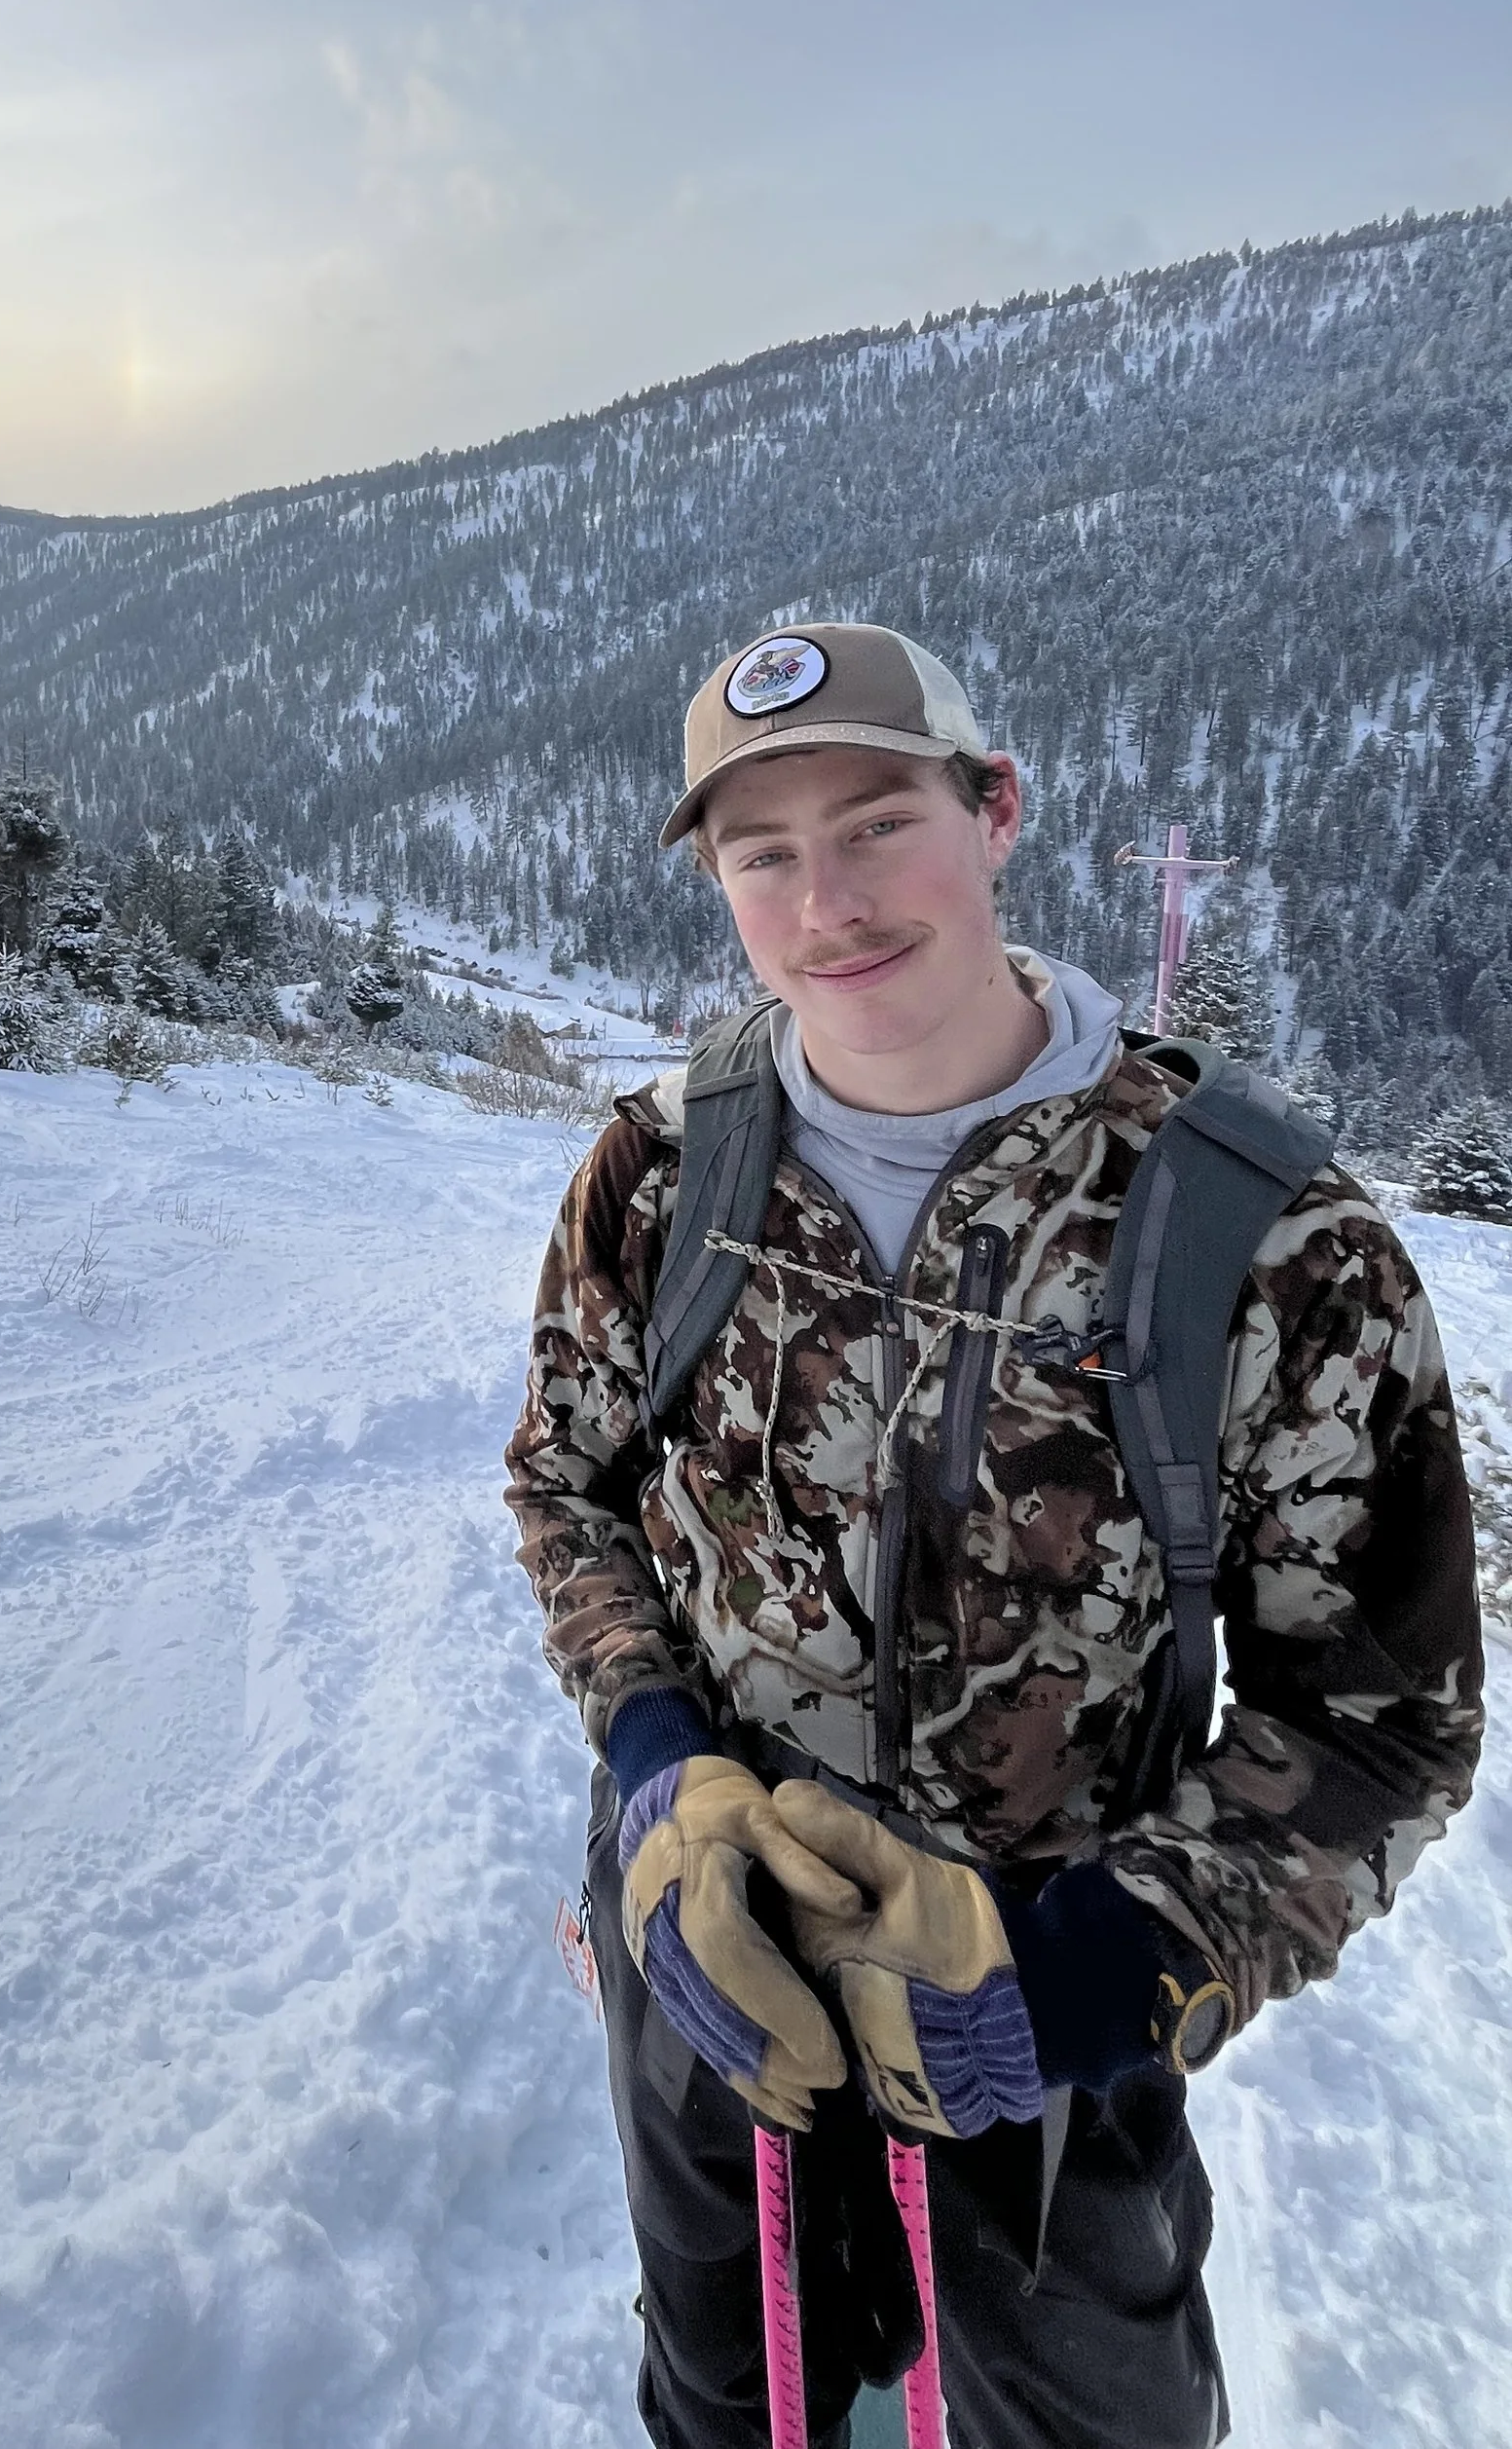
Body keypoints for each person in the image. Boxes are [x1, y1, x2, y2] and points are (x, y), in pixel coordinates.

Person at [502, 622, 1484, 2449]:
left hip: (1048, 1987)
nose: (828, 904)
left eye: (878, 823)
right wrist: (652, 1767)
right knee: (727, 2386)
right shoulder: (663, 1174)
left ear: (998, 808)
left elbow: (1380, 1720)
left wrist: (1106, 1969)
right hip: (713, 1944)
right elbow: (569, 1491)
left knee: (1090, 2417)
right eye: (762, 854)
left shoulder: (1263, 1237)